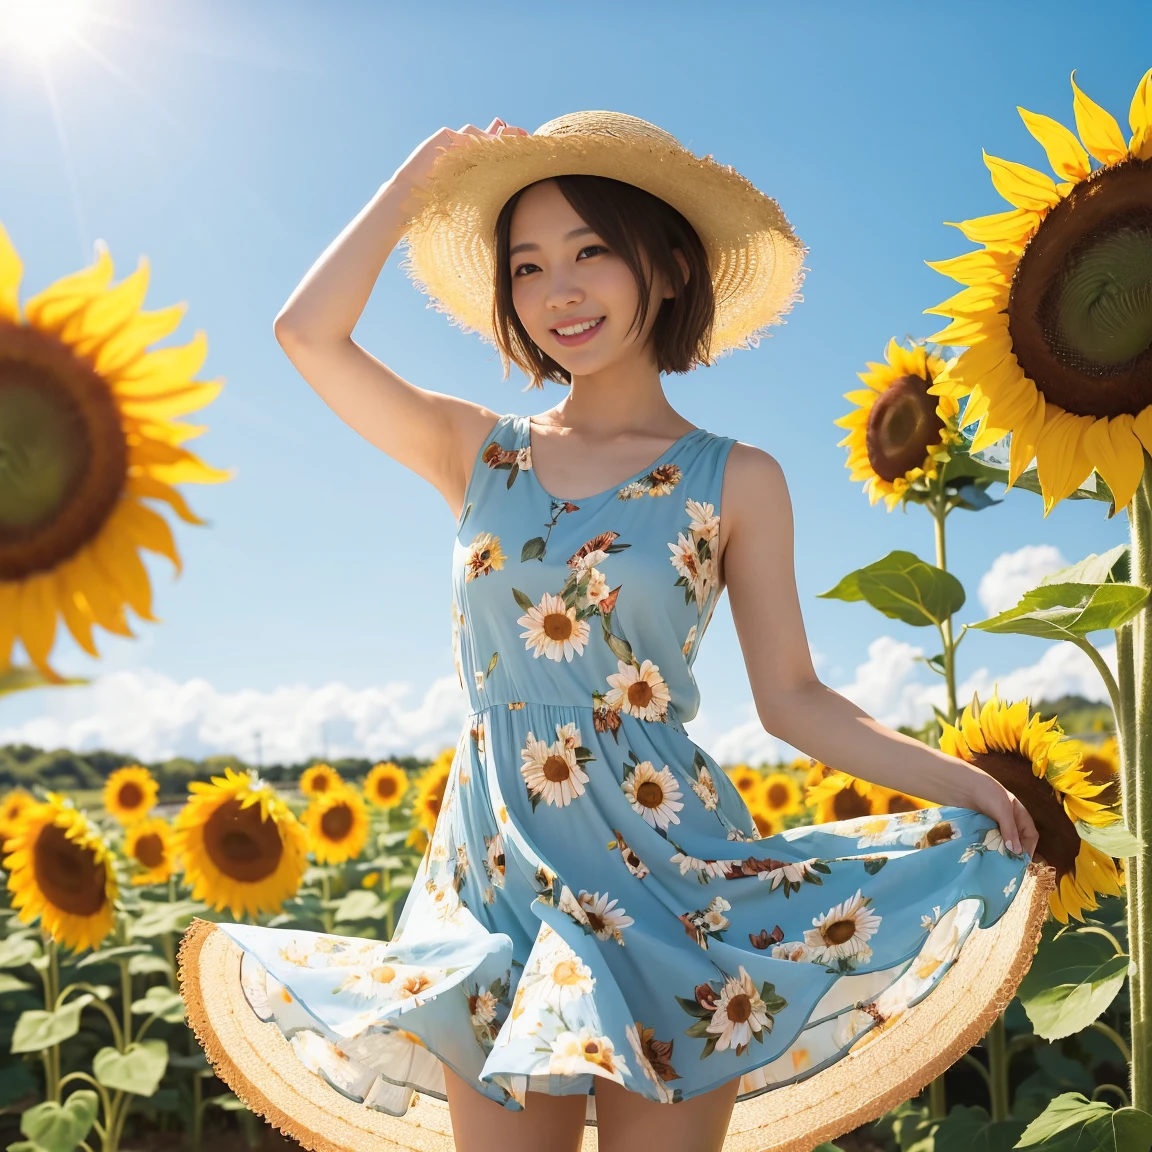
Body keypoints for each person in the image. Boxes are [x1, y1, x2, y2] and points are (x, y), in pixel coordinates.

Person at [180, 113, 1043, 1152]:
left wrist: (968, 784)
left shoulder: (739, 480)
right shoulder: (475, 453)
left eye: (592, 251)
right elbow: (304, 332)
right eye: (528, 265)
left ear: (669, 267)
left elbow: (795, 700)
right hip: (496, 880)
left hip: (670, 877)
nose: (560, 292)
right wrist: (420, 180)